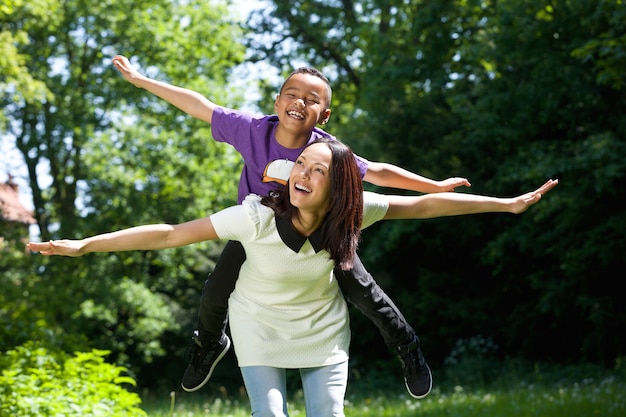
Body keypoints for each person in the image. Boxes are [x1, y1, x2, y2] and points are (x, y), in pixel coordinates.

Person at [27, 139, 558, 417]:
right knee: (270, 414)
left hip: (322, 332)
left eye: (318, 169)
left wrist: (506, 205)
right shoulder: (255, 216)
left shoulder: (356, 211)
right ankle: (206, 346)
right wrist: (85, 244)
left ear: (339, 187)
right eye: (300, 163)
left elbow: (424, 207)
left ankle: (408, 348)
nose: (302, 173)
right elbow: (168, 234)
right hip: (257, 326)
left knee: (328, 413)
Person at [112, 54, 472, 398]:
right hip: (259, 234)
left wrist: (433, 184)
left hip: (319, 233)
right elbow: (199, 106)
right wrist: (142, 81)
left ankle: (407, 347)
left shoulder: (329, 152)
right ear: (277, 102)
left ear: (324, 115)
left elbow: (377, 171)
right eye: (292, 94)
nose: (300, 102)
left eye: (311, 99)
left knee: (366, 293)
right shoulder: (251, 131)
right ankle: (209, 343)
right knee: (215, 289)